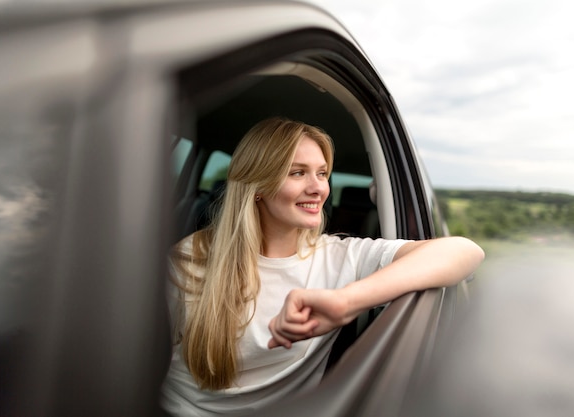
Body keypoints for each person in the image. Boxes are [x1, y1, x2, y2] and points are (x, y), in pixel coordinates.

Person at [160, 117, 484, 416]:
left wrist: (347, 301)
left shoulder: (341, 257)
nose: (319, 188)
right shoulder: (189, 259)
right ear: (257, 186)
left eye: (322, 172)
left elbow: (465, 252)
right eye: (297, 172)